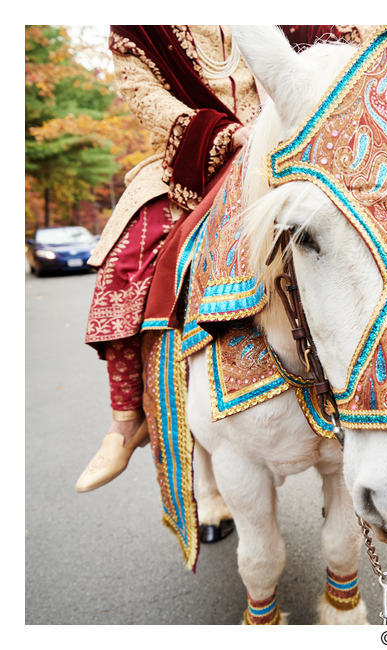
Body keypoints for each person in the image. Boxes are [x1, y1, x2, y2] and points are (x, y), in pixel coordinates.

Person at [75, 25, 340, 493]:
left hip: (282, 144)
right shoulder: (141, 27)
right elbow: (146, 98)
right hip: (191, 161)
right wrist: (224, 134)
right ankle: (125, 418)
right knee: (127, 258)